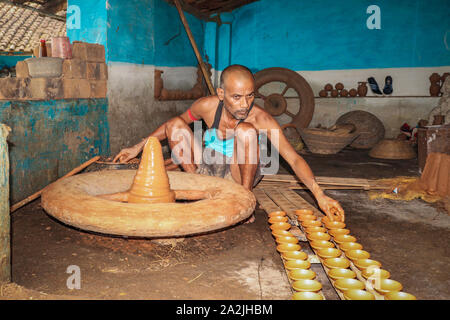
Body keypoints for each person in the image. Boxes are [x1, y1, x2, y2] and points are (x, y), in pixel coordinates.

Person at [114, 64, 345, 223]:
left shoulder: (262, 119)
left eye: (250, 96)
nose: (245, 104)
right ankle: (199, 188)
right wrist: (138, 146)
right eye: (236, 97)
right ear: (222, 93)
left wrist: (319, 194)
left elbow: (293, 158)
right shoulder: (207, 106)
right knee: (174, 124)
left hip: (240, 175)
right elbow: (173, 125)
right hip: (208, 170)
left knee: (245, 131)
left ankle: (243, 202)